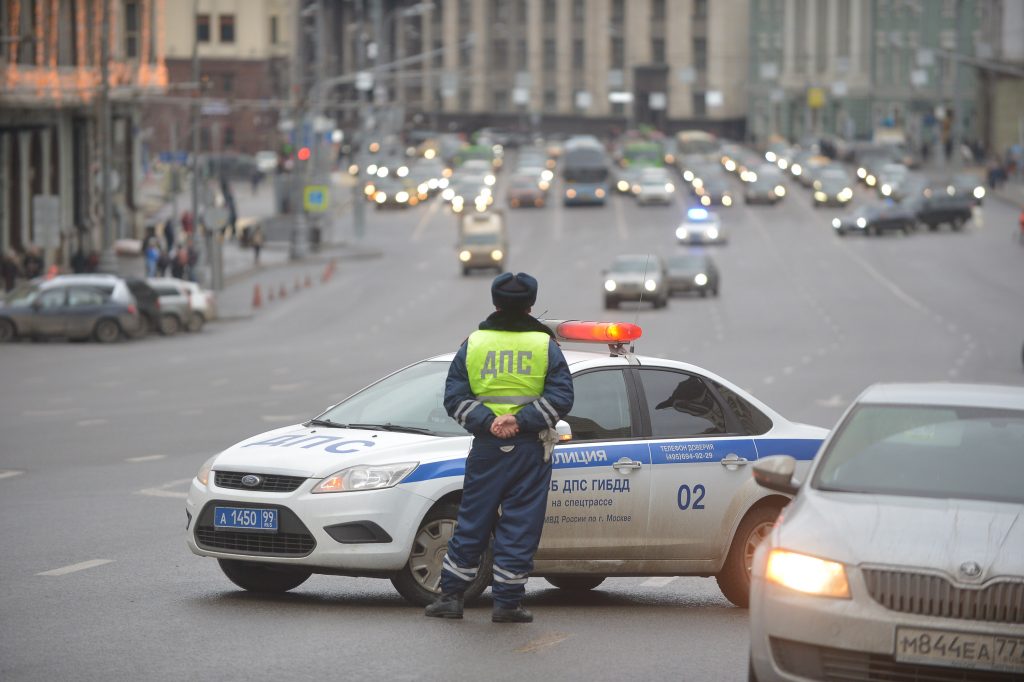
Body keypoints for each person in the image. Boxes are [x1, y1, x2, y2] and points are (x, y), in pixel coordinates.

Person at [425, 272, 574, 624]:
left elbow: (455, 398)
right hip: (529, 448)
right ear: (530, 305)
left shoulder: (474, 344)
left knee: (472, 519)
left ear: (494, 303)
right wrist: (520, 421)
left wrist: (488, 422)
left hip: (488, 447)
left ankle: (451, 597)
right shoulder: (545, 346)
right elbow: (562, 397)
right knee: (520, 524)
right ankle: (507, 604)